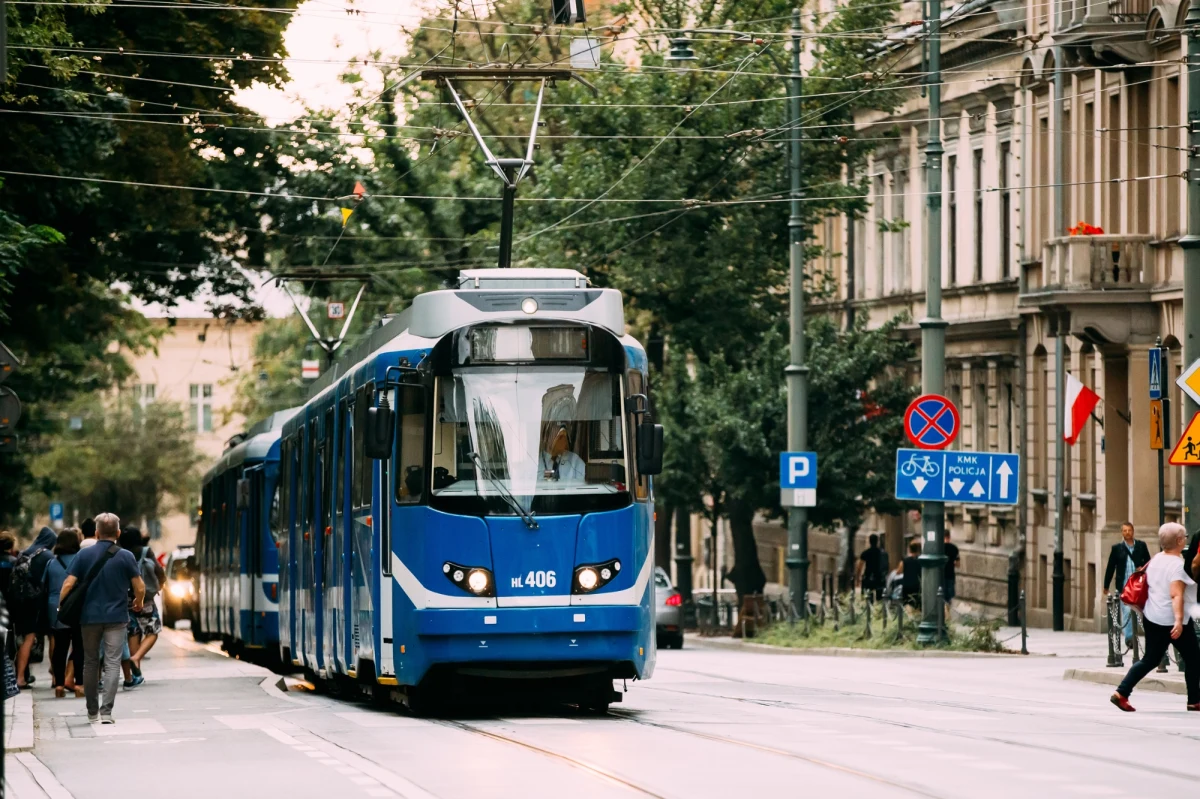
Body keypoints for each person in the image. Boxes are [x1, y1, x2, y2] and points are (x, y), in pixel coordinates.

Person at [59, 513, 144, 724]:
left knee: (90, 662)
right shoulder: (126, 556)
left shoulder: (83, 555)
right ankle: (106, 713)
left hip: (88, 617)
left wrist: (62, 605)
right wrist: (139, 602)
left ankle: (91, 711)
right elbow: (139, 586)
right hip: (116, 617)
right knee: (113, 663)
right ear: (118, 533)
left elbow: (68, 584)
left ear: (96, 533)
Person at [1111, 523, 1200, 711]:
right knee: (1193, 658)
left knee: (1149, 659)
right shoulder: (1178, 566)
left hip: (1152, 617)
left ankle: (1122, 692)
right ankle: (1194, 700)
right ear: (1178, 541)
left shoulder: (1156, 560)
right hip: (1173, 620)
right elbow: (1176, 594)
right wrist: (1178, 621)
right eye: (1184, 537)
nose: (1185, 540)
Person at [13, 528, 57, 689]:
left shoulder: (25, 552)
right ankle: (54, 678)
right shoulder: (47, 556)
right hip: (38, 602)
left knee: (26, 637)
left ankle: (20, 676)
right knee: (49, 637)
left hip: (22, 601)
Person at [44, 529, 84, 698]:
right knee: (79, 646)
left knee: (59, 647)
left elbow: (44, 585)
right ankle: (79, 684)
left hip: (55, 606)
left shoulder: (51, 563)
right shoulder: (81, 560)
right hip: (77, 606)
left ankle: (59, 684)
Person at [120, 526, 163, 680]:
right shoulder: (145, 552)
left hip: (126, 599)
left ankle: (136, 672)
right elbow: (159, 571)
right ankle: (136, 658)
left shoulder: (119, 553)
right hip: (145, 598)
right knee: (153, 631)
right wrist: (159, 586)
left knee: (133, 631)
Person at [1104, 522, 1151, 647]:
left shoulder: (1141, 546)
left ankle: (1150, 637)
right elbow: (1110, 567)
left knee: (1143, 612)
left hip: (1139, 586)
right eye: (1124, 530)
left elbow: (1149, 562)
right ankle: (1130, 638)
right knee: (1127, 611)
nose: (1127, 533)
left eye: (1129, 530)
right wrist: (1106, 585)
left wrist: (1143, 568)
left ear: (1133, 531)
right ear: (1121, 532)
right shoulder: (1117, 549)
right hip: (1124, 587)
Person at [855, 534, 887, 601]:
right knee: (880, 600)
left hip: (869, 577)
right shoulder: (882, 553)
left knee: (868, 599)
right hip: (879, 578)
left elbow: (859, 567)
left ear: (869, 541)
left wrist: (858, 579)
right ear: (877, 541)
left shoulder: (866, 553)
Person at [900, 539, 922, 607]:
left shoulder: (905, 561)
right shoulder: (920, 560)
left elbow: (899, 571)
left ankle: (909, 616)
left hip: (906, 585)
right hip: (917, 585)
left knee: (907, 604)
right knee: (916, 604)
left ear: (909, 550)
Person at [943, 531, 960, 607]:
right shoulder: (954, 548)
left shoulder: (938, 548)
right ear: (949, 537)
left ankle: (944, 614)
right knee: (949, 598)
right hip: (950, 575)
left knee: (941, 597)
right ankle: (948, 613)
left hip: (941, 576)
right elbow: (958, 564)